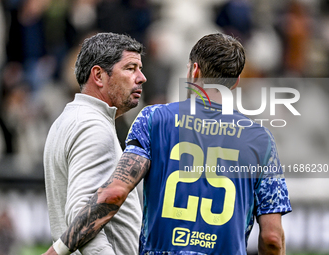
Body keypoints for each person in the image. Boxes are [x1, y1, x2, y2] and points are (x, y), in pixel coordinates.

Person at [43, 33, 292, 255]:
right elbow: (271, 238)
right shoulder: (261, 140)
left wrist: (58, 250)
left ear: (194, 71)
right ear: (236, 82)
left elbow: (114, 193)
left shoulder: (155, 119)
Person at [43, 32, 146, 255]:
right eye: (130, 68)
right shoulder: (93, 127)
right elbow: (80, 211)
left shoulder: (69, 119)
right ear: (98, 75)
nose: (141, 77)